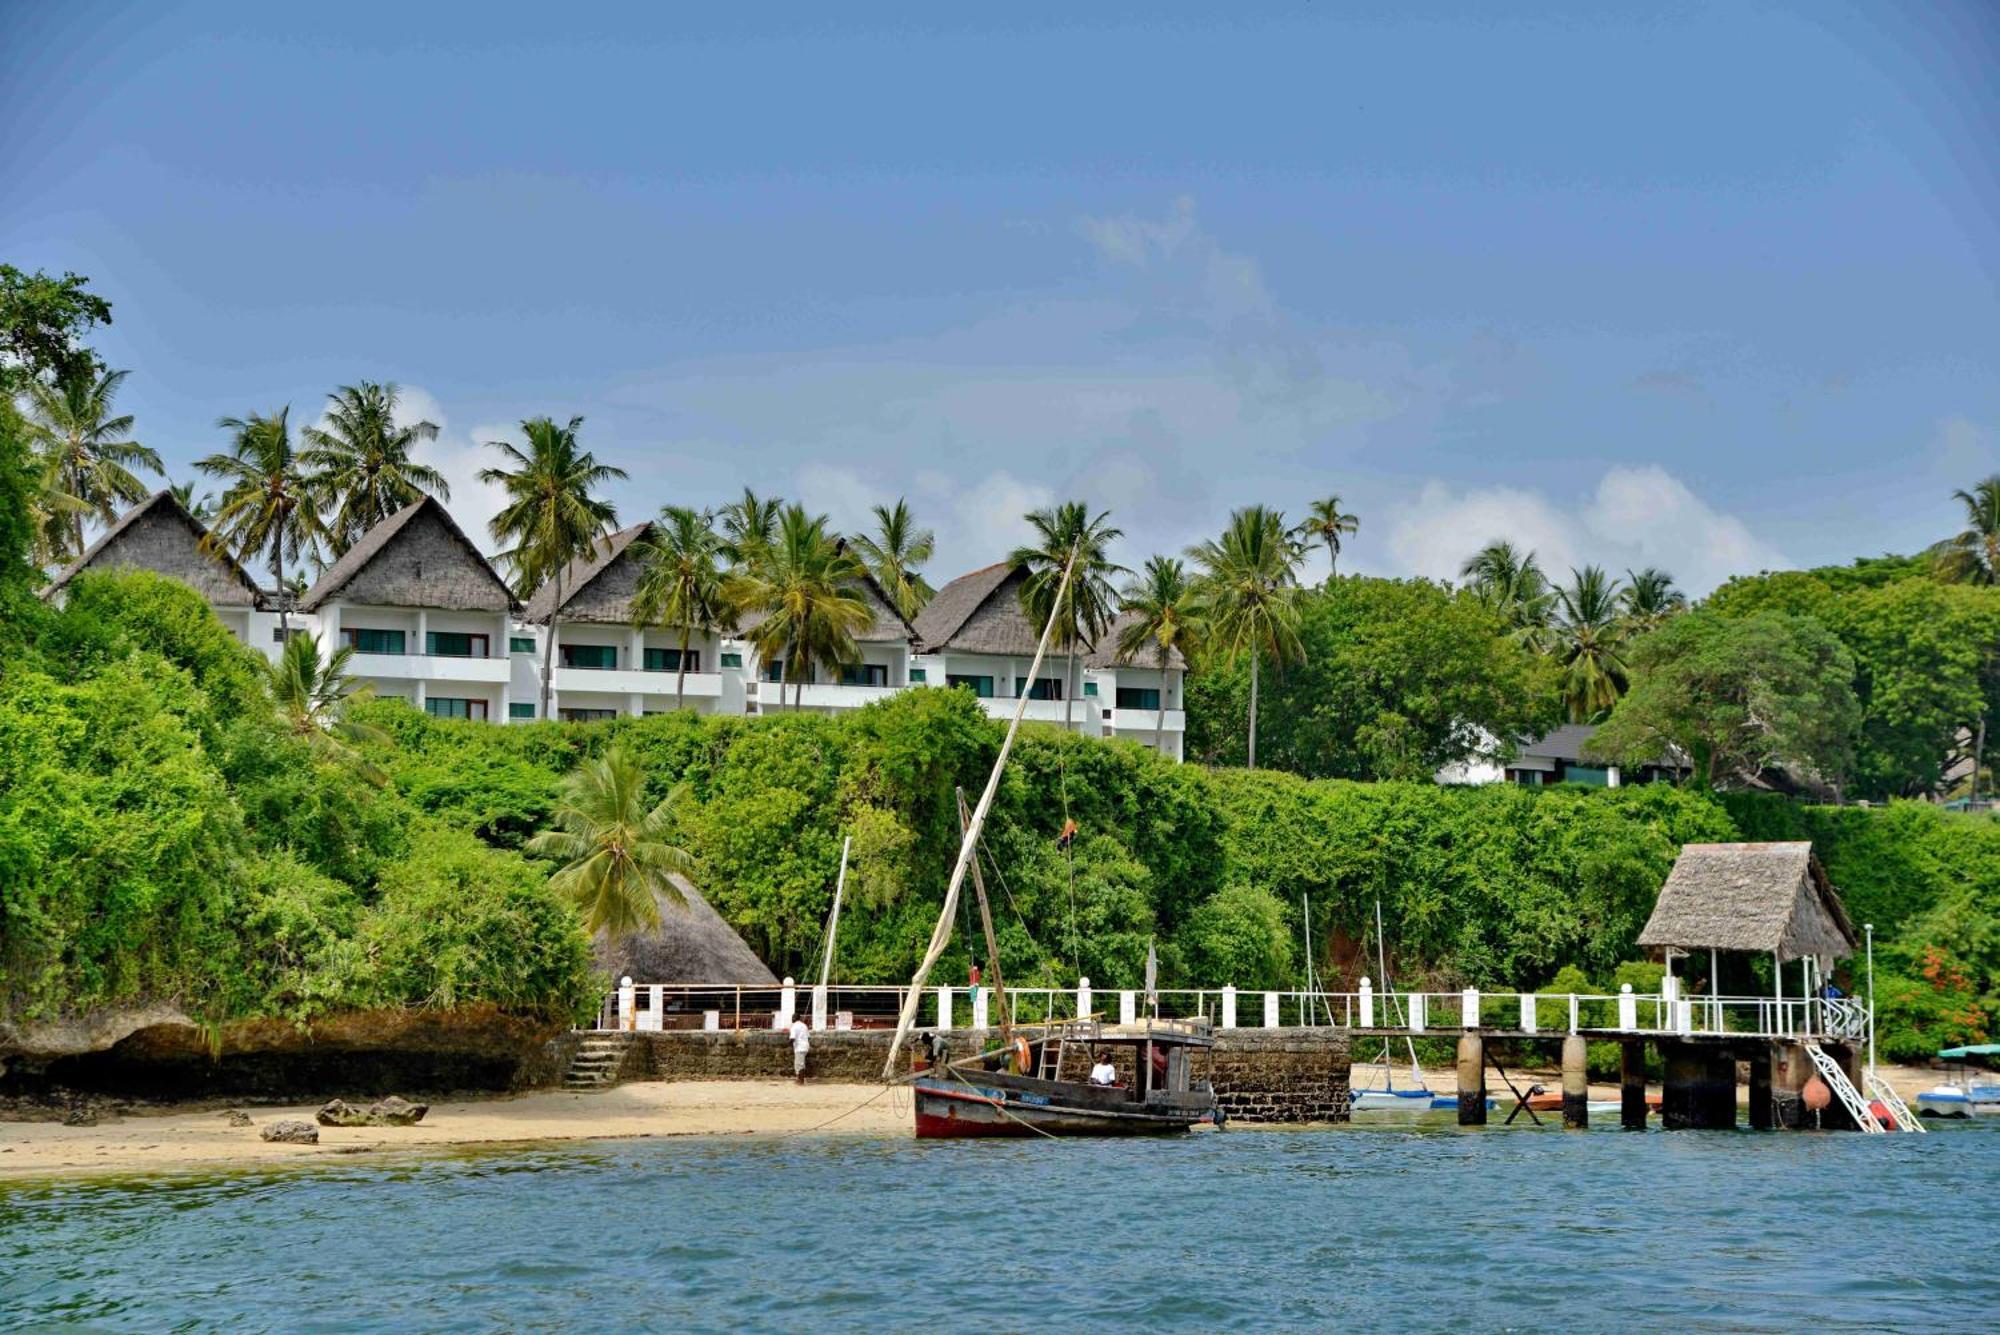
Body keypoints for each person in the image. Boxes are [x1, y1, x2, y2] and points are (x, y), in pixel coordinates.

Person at [789, 1011, 811, 1084]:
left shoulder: (794, 1026)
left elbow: (792, 1038)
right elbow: (808, 1037)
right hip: (805, 1046)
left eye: (793, 1017)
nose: (792, 1019)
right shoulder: (804, 1025)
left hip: (799, 1047)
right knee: (800, 1064)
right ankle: (799, 1079)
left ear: (796, 1018)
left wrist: (788, 1045)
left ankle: (801, 1080)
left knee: (799, 1064)